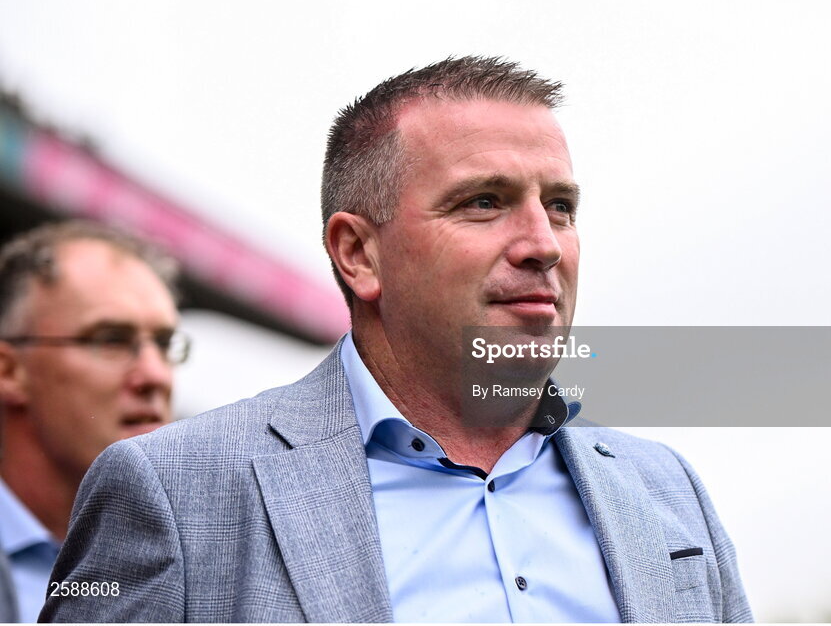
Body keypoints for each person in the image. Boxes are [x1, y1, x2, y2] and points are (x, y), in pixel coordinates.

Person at [41, 57, 752, 623]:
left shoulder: (666, 488)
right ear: (358, 253)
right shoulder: (169, 489)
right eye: (485, 201)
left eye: (559, 207)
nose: (543, 243)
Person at [0, 221, 186, 622]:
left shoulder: (207, 561)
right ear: (9, 371)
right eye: (111, 339)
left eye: (165, 344)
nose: (156, 375)